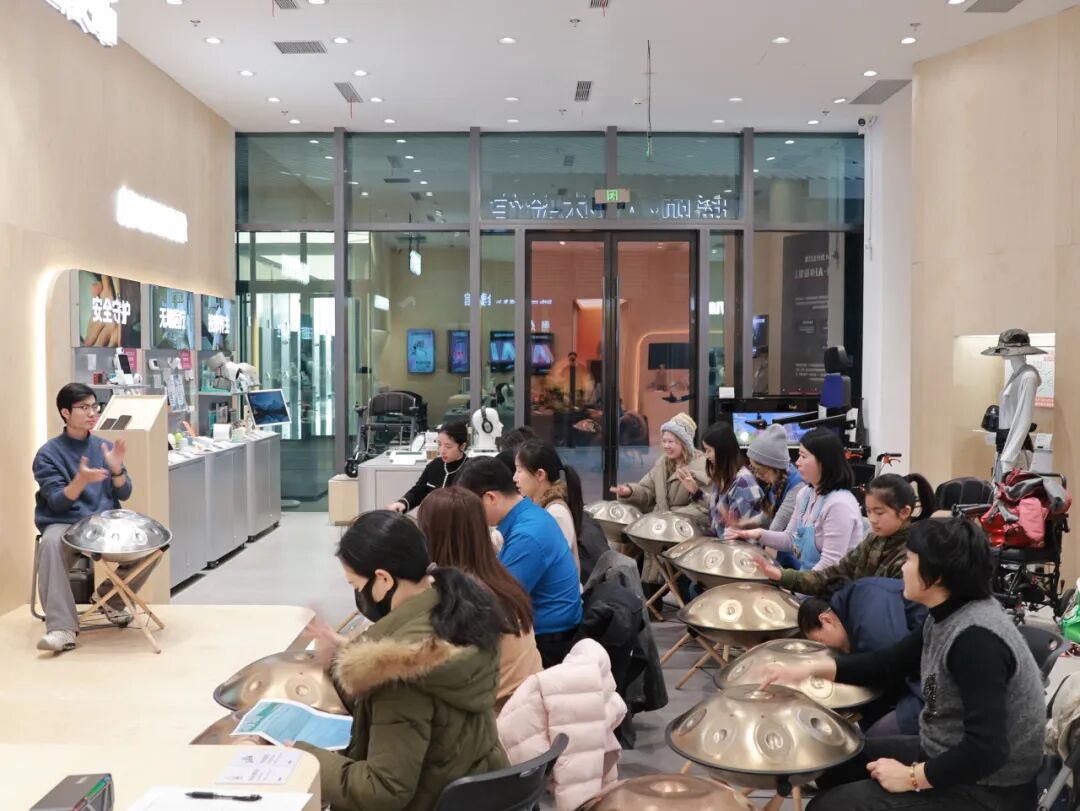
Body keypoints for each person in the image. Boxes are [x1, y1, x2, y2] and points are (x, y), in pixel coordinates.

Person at [760, 518, 1045, 810]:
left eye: (909, 560)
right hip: (944, 750)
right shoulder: (947, 614)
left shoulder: (976, 641)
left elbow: (987, 750)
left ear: (935, 576)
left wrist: (911, 777)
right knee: (837, 760)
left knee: (827, 807)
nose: (903, 569)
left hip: (989, 790)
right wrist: (809, 670)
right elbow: (888, 662)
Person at [298, 510, 508, 811]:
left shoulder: (400, 669)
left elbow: (382, 790)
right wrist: (343, 661)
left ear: (383, 579)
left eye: (356, 586)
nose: (358, 595)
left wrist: (302, 758)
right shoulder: (459, 614)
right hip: (472, 791)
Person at [32, 383, 155, 653]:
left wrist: (116, 470)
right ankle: (62, 628)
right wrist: (81, 480)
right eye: (84, 407)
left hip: (102, 522)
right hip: (64, 522)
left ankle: (110, 600)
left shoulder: (104, 446)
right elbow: (57, 501)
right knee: (50, 544)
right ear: (65, 412)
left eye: (94, 406)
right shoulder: (48, 454)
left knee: (153, 541)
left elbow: (125, 492)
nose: (92, 413)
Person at [418, 487, 542, 712]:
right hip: (524, 709)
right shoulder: (499, 579)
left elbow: (439, 677)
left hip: (495, 718)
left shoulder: (461, 599)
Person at [458, 457, 582, 668]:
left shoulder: (527, 535)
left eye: (472, 507)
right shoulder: (530, 514)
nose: (471, 515)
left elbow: (499, 602)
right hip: (548, 629)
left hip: (548, 644)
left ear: (490, 498)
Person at [755, 473, 933, 596]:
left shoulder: (912, 554)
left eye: (879, 512)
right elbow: (837, 573)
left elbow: (891, 610)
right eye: (869, 511)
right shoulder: (873, 539)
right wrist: (782, 576)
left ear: (904, 512)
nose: (872, 519)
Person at [798, 578, 927, 737]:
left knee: (873, 740)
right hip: (918, 676)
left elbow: (891, 666)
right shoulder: (852, 608)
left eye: (821, 642)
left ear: (826, 620)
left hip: (931, 688)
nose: (828, 649)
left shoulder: (867, 607)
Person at [729, 427, 862, 571]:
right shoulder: (805, 494)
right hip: (807, 579)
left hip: (830, 584)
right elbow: (789, 539)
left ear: (824, 461)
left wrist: (787, 581)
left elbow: (830, 567)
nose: (797, 462)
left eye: (803, 456)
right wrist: (758, 534)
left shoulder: (839, 504)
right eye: (798, 455)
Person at [679, 422, 763, 537]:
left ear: (722, 450)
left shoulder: (743, 483)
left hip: (739, 547)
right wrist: (696, 491)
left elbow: (737, 531)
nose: (706, 456)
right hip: (722, 542)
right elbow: (718, 508)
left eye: (709, 450)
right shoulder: (722, 476)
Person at [513, 439, 585, 571]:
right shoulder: (540, 506)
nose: (515, 478)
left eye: (519, 471)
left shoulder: (555, 513)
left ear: (540, 475)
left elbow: (538, 564)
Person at [386, 420, 468, 513]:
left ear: (462, 446)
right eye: (439, 444)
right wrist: (403, 503)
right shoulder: (435, 465)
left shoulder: (471, 469)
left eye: (448, 446)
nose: (442, 451)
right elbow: (419, 490)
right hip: (433, 519)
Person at [745, 423, 805, 531]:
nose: (757, 476)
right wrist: (741, 524)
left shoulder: (797, 487)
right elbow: (767, 516)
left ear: (776, 468)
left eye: (761, 471)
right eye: (754, 470)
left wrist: (744, 533)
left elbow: (776, 528)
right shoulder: (778, 479)